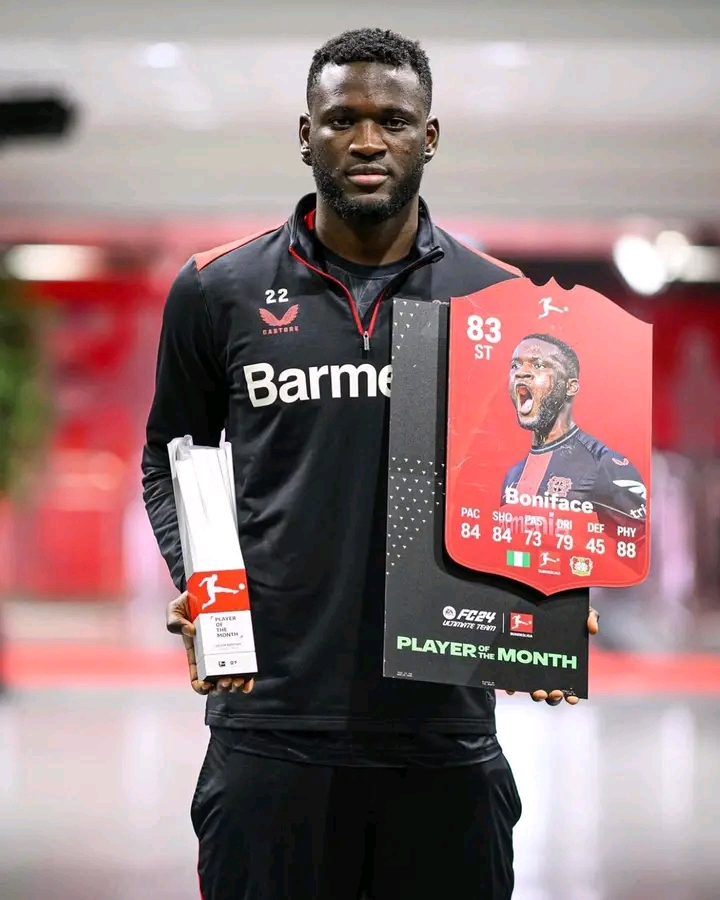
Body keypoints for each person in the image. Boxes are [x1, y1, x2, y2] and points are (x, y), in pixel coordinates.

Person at [142, 28, 600, 900]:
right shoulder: (217, 289)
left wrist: (548, 595)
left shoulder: (499, 299)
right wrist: (198, 581)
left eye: (391, 121)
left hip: (442, 729)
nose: (365, 141)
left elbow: (537, 470)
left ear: (429, 137)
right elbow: (170, 460)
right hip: (270, 721)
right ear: (304, 133)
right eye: (340, 119)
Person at [502, 332, 647, 538]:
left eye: (539, 365)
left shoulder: (604, 465)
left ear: (570, 387)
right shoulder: (513, 476)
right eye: (515, 365)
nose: (521, 373)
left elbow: (639, 545)